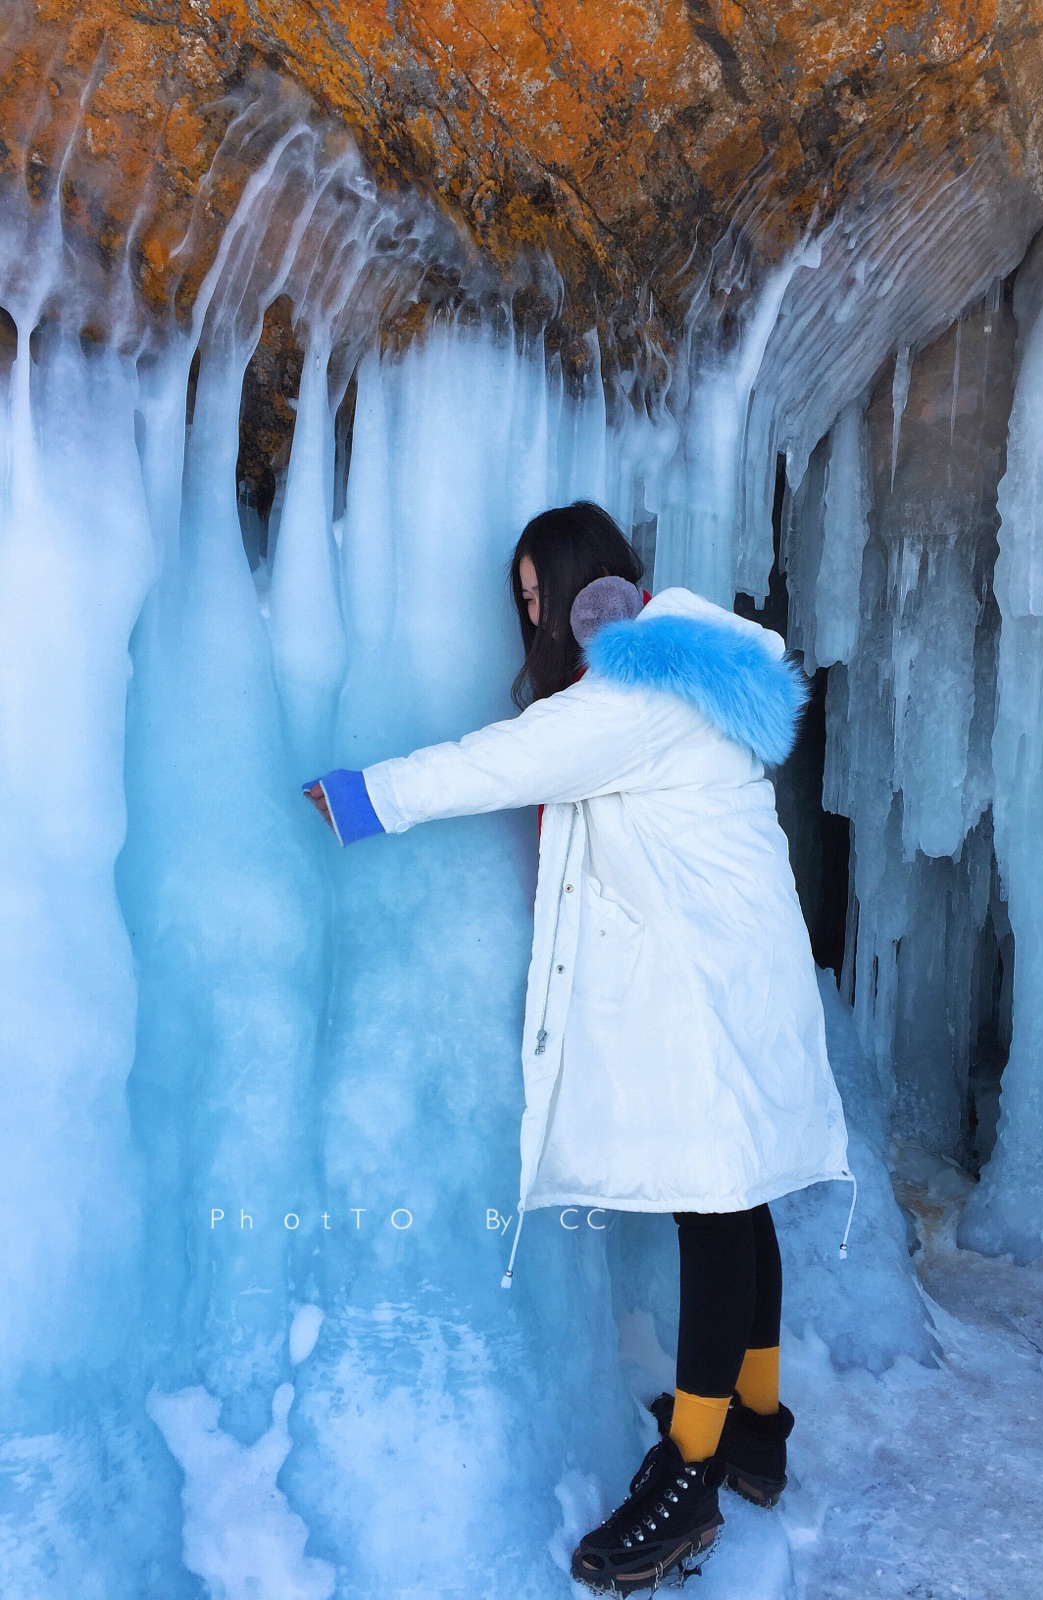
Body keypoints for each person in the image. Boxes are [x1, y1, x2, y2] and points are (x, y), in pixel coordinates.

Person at [304, 500, 854, 1596]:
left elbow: (507, 760)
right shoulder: (689, 684)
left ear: (582, 591)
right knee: (735, 1206)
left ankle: (690, 1474)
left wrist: (369, 797)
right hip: (739, 985)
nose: (531, 618)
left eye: (533, 596)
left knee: (714, 1214)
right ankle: (752, 1428)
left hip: (711, 998)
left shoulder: (637, 689)